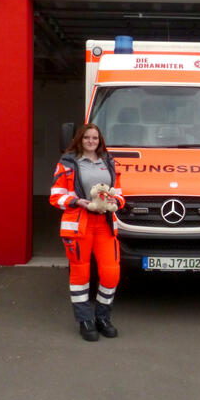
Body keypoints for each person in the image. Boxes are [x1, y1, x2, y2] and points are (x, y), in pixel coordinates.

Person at [50, 124, 125, 342]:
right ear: (80, 140)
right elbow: (56, 196)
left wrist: (114, 202)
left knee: (111, 273)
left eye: (95, 138)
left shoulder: (109, 162)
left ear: (100, 141)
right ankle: (85, 320)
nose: (91, 141)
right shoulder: (67, 163)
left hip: (105, 224)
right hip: (78, 225)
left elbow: (120, 194)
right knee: (80, 277)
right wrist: (78, 201)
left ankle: (103, 317)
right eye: (87, 138)